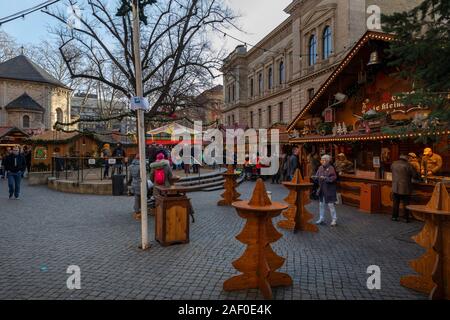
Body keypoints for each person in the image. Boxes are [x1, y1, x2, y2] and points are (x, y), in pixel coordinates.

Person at [313, 154, 338, 226]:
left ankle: (334, 219)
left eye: (324, 160)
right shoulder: (320, 167)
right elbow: (317, 175)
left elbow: (334, 177)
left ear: (327, 161)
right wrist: (315, 177)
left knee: (331, 205)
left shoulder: (331, 168)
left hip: (329, 189)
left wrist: (326, 178)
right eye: (321, 160)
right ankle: (321, 218)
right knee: (321, 204)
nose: (322, 161)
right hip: (322, 189)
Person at [391, 155, 417, 222]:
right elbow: (415, 175)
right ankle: (405, 218)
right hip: (405, 187)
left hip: (395, 186)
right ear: (406, 159)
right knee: (406, 203)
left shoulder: (393, 164)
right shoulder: (408, 165)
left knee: (395, 203)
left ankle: (394, 217)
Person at [129, 153, 143, 220]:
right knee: (140, 197)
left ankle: (137, 210)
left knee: (137, 197)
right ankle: (138, 211)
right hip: (140, 183)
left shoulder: (131, 166)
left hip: (134, 183)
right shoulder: (141, 166)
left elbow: (130, 177)